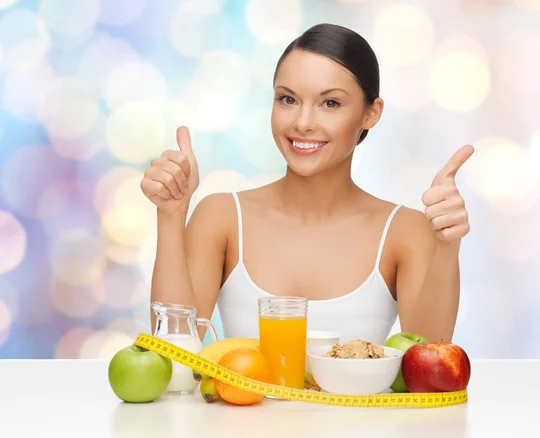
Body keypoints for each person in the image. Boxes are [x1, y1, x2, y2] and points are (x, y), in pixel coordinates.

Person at [141, 23, 474, 345]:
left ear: (371, 114)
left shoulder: (405, 231)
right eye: (288, 99)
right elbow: (175, 359)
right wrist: (171, 214)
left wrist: (448, 246)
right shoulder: (222, 217)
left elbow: (429, 360)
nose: (302, 123)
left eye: (330, 103)